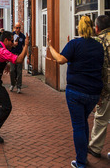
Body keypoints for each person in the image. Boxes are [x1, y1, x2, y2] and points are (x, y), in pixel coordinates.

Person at [47, 16, 104, 168]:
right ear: (92, 28)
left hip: (76, 92)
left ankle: (80, 162)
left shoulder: (74, 44)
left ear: (80, 28)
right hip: (93, 92)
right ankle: (83, 157)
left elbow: (60, 59)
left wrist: (50, 47)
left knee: (78, 126)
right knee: (83, 122)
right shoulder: (98, 46)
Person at [0, 31, 29, 143]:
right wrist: (26, 46)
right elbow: (18, 60)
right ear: (6, 40)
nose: (13, 43)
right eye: (11, 40)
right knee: (6, 106)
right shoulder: (2, 50)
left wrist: (6, 64)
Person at [88, 15, 110, 159]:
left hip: (107, 87)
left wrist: (97, 92)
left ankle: (95, 147)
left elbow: (97, 68)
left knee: (101, 117)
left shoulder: (98, 42)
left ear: (97, 28)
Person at [9, 22, 26, 94]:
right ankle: (13, 84)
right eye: (17, 28)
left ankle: (19, 86)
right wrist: (13, 44)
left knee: (19, 71)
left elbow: (25, 46)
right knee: (12, 70)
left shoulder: (22, 36)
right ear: (14, 28)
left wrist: (26, 56)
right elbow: (8, 45)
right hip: (12, 55)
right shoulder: (11, 35)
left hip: (19, 55)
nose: (18, 29)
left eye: (19, 28)